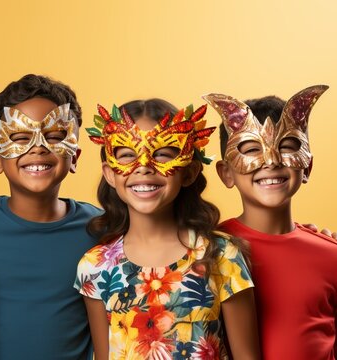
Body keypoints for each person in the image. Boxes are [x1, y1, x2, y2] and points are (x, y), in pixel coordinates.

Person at [75, 99, 261, 359]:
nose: (143, 166)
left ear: (189, 172)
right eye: (127, 154)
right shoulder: (94, 267)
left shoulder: (222, 255)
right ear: (109, 173)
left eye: (162, 153)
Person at [205, 86, 337, 359]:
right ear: (226, 173)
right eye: (251, 149)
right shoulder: (207, 250)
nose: (272, 161)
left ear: (307, 167)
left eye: (287, 147)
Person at [0, 74, 101, 359]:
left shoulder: (100, 228)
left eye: (54, 136)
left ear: (74, 157)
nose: (38, 147)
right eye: (20, 137)